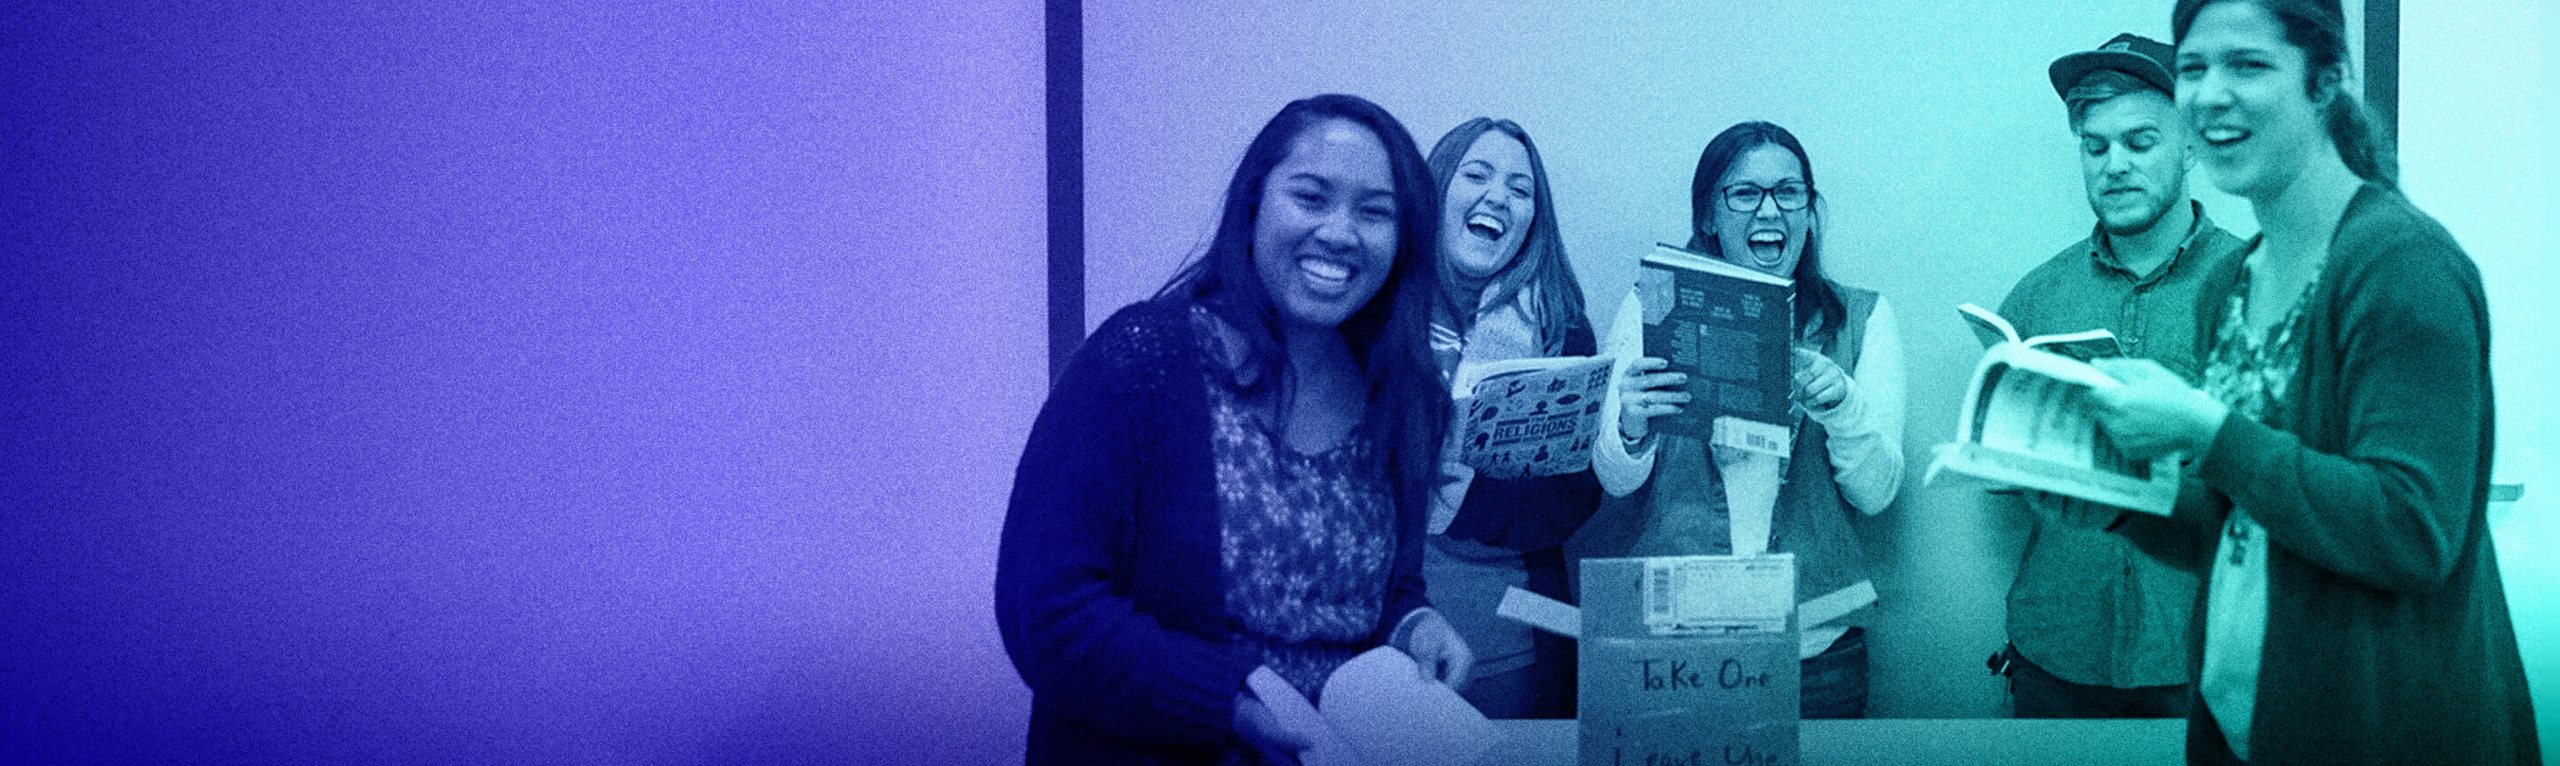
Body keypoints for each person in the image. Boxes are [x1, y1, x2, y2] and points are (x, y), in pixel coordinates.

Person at [2080, 0, 2540, 761]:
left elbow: (2411, 531)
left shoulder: (2400, 266)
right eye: (2192, 67)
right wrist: (2116, 500)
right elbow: (2247, 525)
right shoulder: (2229, 280)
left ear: (2326, 83)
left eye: (2248, 64)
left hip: (2389, 733)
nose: (2209, 93)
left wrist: (2206, 430)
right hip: (2245, 727)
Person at [994, 94, 1474, 764]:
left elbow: (1379, 590)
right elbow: (1045, 610)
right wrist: (1226, 706)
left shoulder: (1403, 397)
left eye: (1374, 212)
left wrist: (1413, 625)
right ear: (1254, 207)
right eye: (1311, 197)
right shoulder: (1141, 363)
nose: (1340, 232)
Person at [1588, 121, 1906, 719]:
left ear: (1810, 212)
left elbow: (1877, 494)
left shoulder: (1862, 319)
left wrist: (1842, 406)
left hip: (1816, 648)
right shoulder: (1649, 304)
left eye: (1790, 193)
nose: (1771, 210)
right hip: (1674, 644)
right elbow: (1614, 480)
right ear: (1710, 214)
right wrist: (1632, 426)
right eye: (1745, 193)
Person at [1986, 33, 2250, 720]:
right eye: (2095, 147)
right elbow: (2008, 476)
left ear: (2191, 144)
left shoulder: (2256, 287)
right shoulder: (2038, 298)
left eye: (2140, 142)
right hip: (2056, 656)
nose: (2115, 166)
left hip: (2203, 659)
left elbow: (2294, 481)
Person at [1418, 117, 1602, 719]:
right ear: (1436, 189)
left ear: (1531, 221)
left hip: (1512, 635)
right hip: (1377, 625)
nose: (1498, 196)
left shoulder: (1559, 324)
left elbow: (1575, 495)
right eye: (1476, 175)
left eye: (1521, 190)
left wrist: (1465, 495)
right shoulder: (1375, 312)